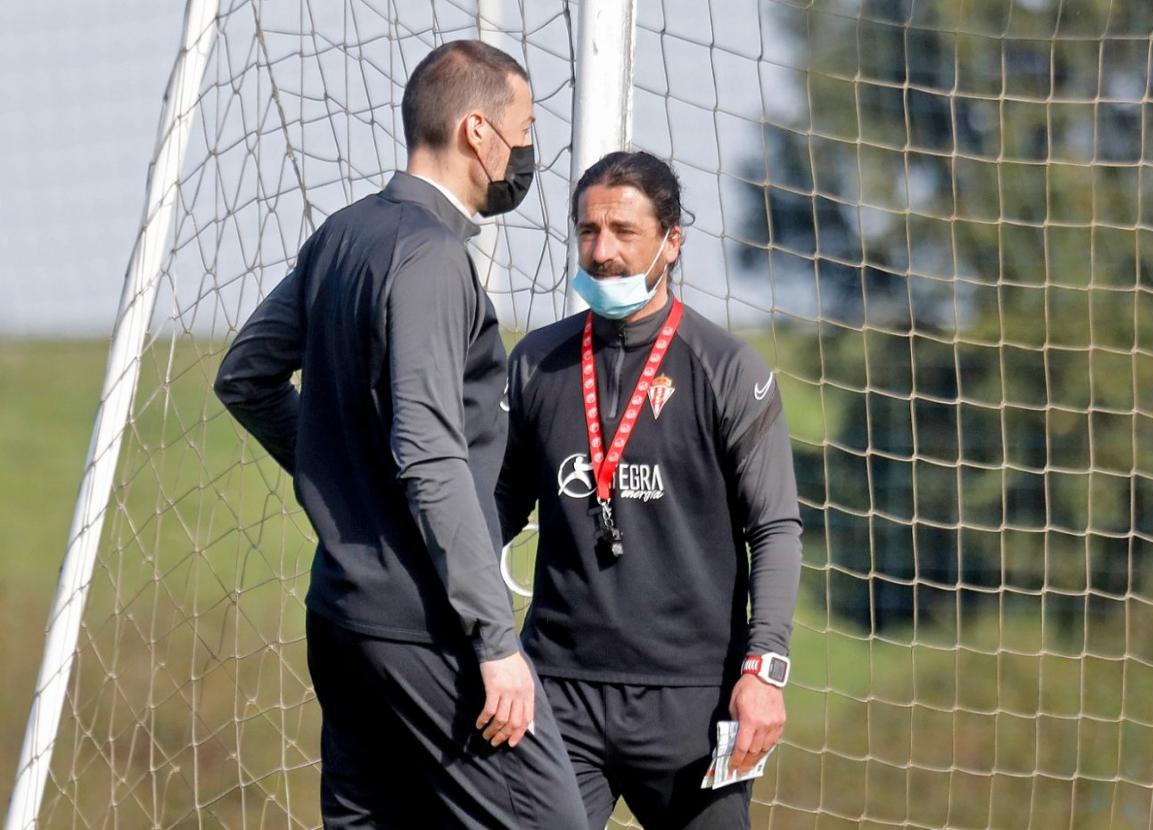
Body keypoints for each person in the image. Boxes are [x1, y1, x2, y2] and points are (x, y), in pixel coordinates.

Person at [214, 40, 587, 830]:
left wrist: (342, 476)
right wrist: (495, 642)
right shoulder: (430, 255)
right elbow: (426, 452)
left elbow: (244, 377)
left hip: (342, 618)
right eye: (523, 129)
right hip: (425, 626)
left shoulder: (344, 234)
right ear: (477, 132)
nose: (527, 151)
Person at [496, 150, 803, 829]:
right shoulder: (535, 364)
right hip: (558, 695)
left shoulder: (725, 368)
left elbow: (775, 529)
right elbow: (489, 515)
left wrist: (765, 670)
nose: (601, 251)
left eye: (623, 232)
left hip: (693, 705)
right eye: (588, 231)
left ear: (671, 241)